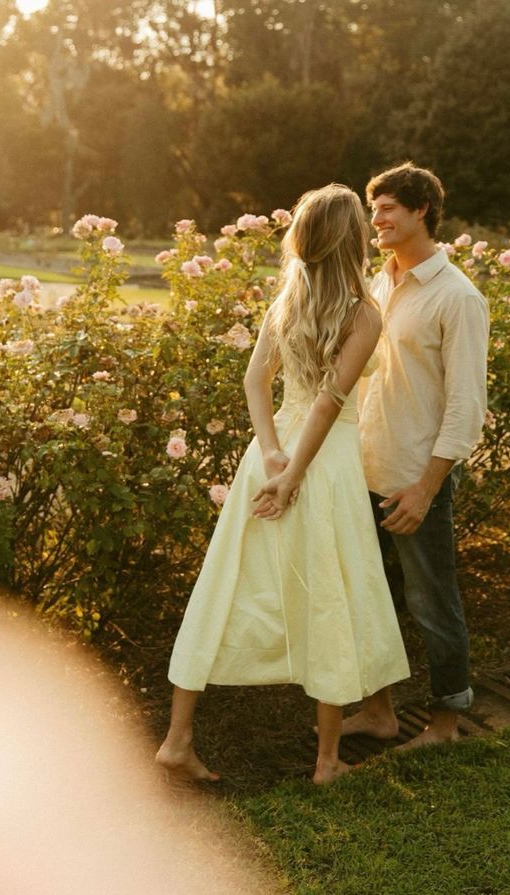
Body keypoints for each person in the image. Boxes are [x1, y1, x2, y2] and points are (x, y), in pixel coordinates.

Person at [156, 184, 410, 785]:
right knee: (331, 590)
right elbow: (329, 403)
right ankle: (326, 762)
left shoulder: (286, 301)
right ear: (351, 241)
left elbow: (254, 383)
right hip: (324, 464)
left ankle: (176, 740)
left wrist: (271, 454)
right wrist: (293, 471)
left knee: (227, 583)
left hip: (270, 459)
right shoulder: (363, 313)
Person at [341, 162, 490, 748]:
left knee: (432, 603)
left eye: (386, 209)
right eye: (372, 208)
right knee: (370, 600)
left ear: (421, 210)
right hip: (362, 470)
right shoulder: (379, 283)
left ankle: (447, 722)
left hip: (413, 480)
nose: (374, 219)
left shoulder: (459, 298)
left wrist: (426, 488)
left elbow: (465, 407)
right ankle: (379, 712)